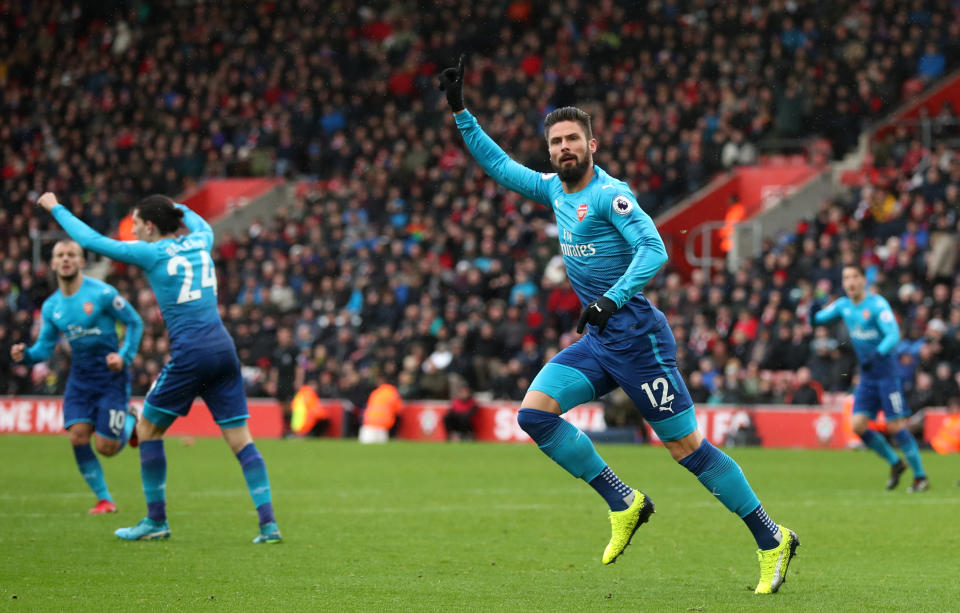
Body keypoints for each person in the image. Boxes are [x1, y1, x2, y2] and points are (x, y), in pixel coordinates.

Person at [438, 56, 798, 595]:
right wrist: (460, 111)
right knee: (534, 415)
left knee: (688, 451)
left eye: (572, 140)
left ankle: (773, 539)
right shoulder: (554, 190)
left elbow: (654, 249)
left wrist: (612, 297)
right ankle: (623, 500)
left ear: (591, 146)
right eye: (555, 141)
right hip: (600, 341)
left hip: (639, 340)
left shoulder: (611, 194)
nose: (563, 148)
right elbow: (499, 166)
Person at [37, 192, 281, 543]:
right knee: (241, 440)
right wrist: (177, 207)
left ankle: (156, 521)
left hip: (191, 354)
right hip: (224, 349)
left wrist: (55, 206)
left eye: (135, 224)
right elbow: (196, 221)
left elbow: (90, 241)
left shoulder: (150, 252)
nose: (133, 231)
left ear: (150, 226)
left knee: (148, 431)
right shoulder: (201, 239)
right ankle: (269, 525)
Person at [10, 240, 143, 514]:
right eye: (60, 255)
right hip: (80, 379)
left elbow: (134, 322)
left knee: (106, 447)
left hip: (111, 377)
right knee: (78, 437)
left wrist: (124, 356)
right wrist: (27, 355)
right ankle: (104, 499)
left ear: (82, 261)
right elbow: (46, 347)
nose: (66, 259)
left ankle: (130, 419)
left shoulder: (103, 294)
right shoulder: (51, 307)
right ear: (54, 263)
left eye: (72, 254)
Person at [811, 264, 929, 492]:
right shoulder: (844, 305)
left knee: (895, 426)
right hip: (867, 376)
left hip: (886, 374)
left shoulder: (877, 305)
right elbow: (818, 319)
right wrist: (812, 313)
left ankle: (920, 477)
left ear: (864, 280)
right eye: (846, 278)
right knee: (858, 425)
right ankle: (895, 463)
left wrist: (877, 354)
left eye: (855, 276)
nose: (850, 282)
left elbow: (894, 334)